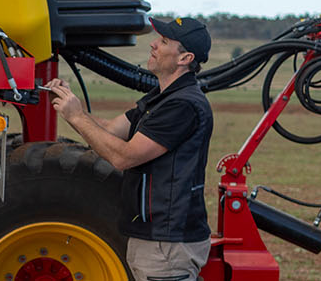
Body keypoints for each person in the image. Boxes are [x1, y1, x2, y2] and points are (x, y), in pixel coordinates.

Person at [46, 17, 214, 281]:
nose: (154, 45)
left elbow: (123, 156)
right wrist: (70, 106)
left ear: (185, 58)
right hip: (154, 237)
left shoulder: (182, 106)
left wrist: (77, 116)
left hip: (166, 242)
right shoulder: (161, 99)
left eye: (164, 41)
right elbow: (110, 130)